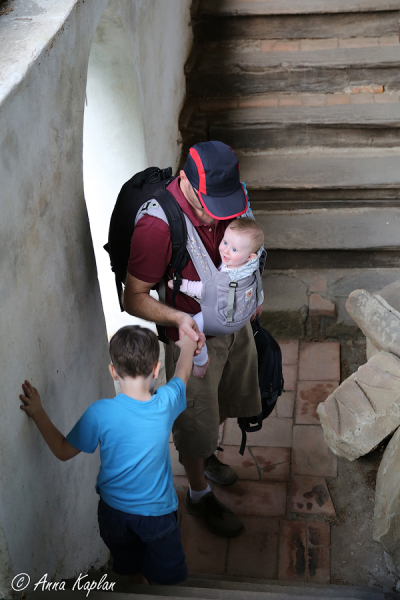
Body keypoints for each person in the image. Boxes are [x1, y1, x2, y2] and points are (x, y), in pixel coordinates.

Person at [124, 141, 262, 538]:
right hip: (192, 339)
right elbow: (133, 297)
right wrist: (179, 318)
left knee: (221, 401)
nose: (214, 215)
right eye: (207, 207)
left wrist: (253, 294)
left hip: (232, 325)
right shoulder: (156, 226)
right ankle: (198, 492)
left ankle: (210, 454)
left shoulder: (231, 198)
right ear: (185, 181)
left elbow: (248, 243)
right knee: (194, 422)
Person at [19, 325, 198, 585]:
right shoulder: (166, 403)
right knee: (168, 576)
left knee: (128, 565)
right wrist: (188, 347)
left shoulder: (100, 413)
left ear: (113, 372)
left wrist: (37, 412)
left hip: (113, 514)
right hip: (156, 516)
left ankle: (136, 583)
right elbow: (183, 372)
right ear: (157, 370)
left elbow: (61, 450)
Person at [168, 217, 265, 378]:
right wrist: (257, 303)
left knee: (193, 329)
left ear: (250, 257)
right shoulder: (251, 268)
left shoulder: (229, 276)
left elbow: (204, 290)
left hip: (221, 320)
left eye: (234, 250)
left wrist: (182, 285)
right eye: (225, 242)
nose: (226, 251)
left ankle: (201, 362)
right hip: (240, 312)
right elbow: (258, 287)